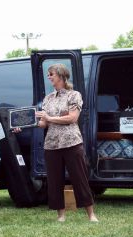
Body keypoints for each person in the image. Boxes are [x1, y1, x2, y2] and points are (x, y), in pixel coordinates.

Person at [35, 63, 98, 222]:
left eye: (51, 74)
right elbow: (44, 124)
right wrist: (32, 122)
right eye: (48, 74)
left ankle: (91, 214)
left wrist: (49, 118)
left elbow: (72, 118)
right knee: (54, 181)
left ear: (61, 76)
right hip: (51, 144)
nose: (49, 77)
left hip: (71, 143)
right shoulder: (47, 99)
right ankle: (61, 215)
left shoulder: (74, 95)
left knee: (80, 178)